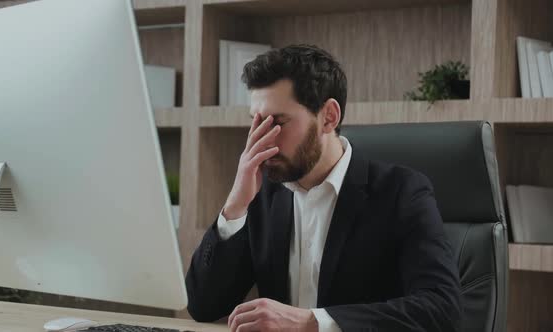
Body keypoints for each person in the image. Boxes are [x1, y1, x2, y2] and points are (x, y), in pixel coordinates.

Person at [185, 44, 461, 332]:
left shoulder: (402, 192)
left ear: (329, 116)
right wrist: (234, 207)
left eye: (277, 122)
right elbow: (203, 306)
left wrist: (313, 322)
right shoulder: (260, 193)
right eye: (256, 122)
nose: (262, 140)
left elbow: (441, 308)